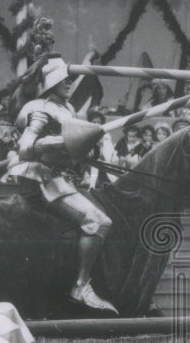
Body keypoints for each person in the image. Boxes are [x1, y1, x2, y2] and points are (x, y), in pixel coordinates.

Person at [9, 56, 118, 314]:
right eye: (64, 78)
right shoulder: (41, 107)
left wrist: (88, 147)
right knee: (98, 221)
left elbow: (75, 148)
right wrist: (64, 142)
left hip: (61, 177)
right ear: (50, 81)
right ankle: (80, 286)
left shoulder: (66, 109)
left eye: (70, 78)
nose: (69, 82)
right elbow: (26, 146)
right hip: (41, 178)